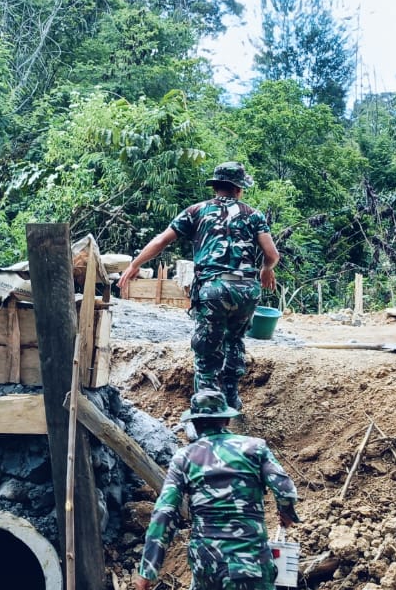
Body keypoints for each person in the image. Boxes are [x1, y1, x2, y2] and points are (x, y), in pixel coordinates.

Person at [135, 389, 299, 590]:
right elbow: (285, 490)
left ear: (195, 424)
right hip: (250, 559)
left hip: (207, 562)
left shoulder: (184, 458)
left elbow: (164, 512)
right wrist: (286, 513)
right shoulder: (255, 448)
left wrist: (148, 568)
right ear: (227, 419)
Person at [118, 162, 279, 410]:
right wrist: (266, 270)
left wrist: (135, 265)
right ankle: (231, 399)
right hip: (246, 289)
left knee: (207, 350)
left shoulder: (196, 211)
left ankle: (207, 409)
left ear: (216, 187)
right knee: (234, 339)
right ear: (239, 189)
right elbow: (272, 254)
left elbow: (162, 240)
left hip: (213, 289)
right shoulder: (254, 215)